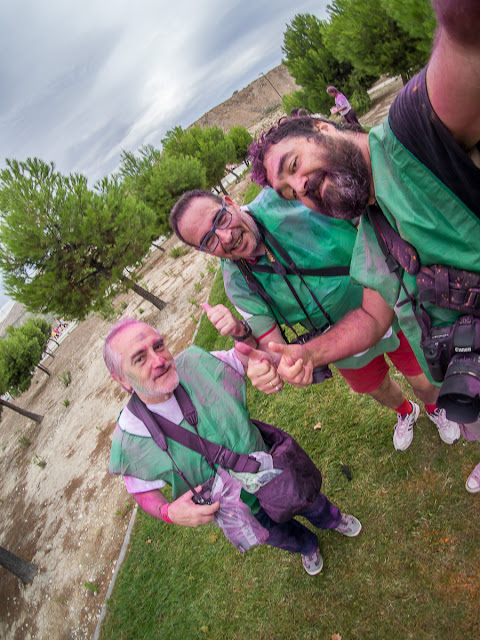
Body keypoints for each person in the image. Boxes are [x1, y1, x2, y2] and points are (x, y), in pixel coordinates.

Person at [247, 0, 480, 492]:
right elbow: (372, 319)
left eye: (293, 166)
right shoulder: (371, 233)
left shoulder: (411, 135)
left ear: (323, 127)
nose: (301, 189)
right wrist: (307, 354)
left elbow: (464, 35)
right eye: (289, 194)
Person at [169, 188, 460, 452]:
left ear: (230, 202)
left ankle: (434, 407)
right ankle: (406, 411)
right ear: (202, 251)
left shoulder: (285, 197)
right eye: (209, 240)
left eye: (220, 219)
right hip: (337, 342)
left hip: (388, 301)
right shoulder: (236, 283)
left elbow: (366, 217)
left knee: (423, 376)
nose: (226, 237)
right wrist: (269, 356)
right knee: (376, 387)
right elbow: (274, 348)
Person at [104, 318, 362, 575]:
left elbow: (249, 358)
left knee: (309, 501)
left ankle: (333, 519)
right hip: (240, 510)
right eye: (140, 358)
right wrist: (168, 512)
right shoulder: (130, 437)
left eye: (158, 346)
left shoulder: (198, 364)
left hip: (272, 472)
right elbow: (141, 489)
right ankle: (307, 547)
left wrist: (246, 339)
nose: (159, 360)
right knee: (279, 535)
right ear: (122, 379)